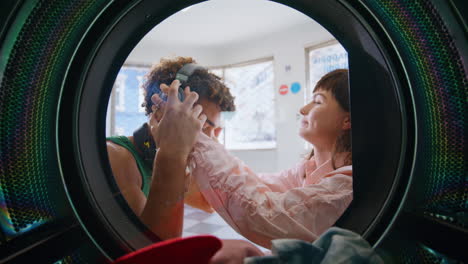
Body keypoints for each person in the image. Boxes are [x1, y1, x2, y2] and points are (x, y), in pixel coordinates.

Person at [153, 68, 352, 249]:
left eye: (317, 101)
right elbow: (252, 184)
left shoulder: (347, 186)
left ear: (348, 120)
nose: (303, 110)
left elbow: (263, 212)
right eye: (204, 126)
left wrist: (191, 134)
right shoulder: (306, 170)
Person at [106, 56, 236, 240]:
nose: (210, 138)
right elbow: (157, 249)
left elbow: (207, 203)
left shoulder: (168, 159)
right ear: (163, 110)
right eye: (204, 126)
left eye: (216, 131)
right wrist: (174, 153)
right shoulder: (116, 157)